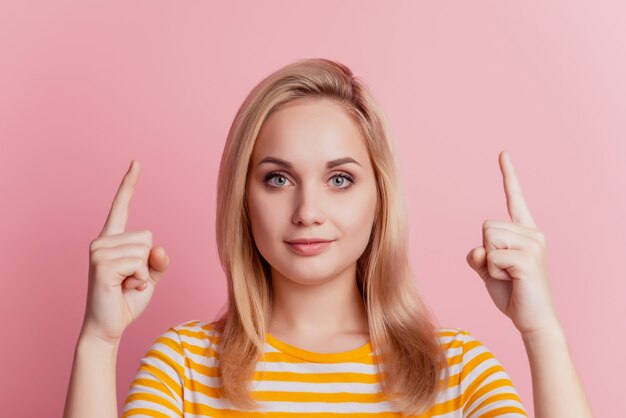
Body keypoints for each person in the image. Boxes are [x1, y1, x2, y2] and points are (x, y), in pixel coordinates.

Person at [63, 58, 593, 417]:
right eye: (278, 178)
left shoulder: (456, 371)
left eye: (339, 179)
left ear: (379, 197)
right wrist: (98, 341)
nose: (308, 212)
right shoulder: (182, 367)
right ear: (241, 199)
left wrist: (542, 330)